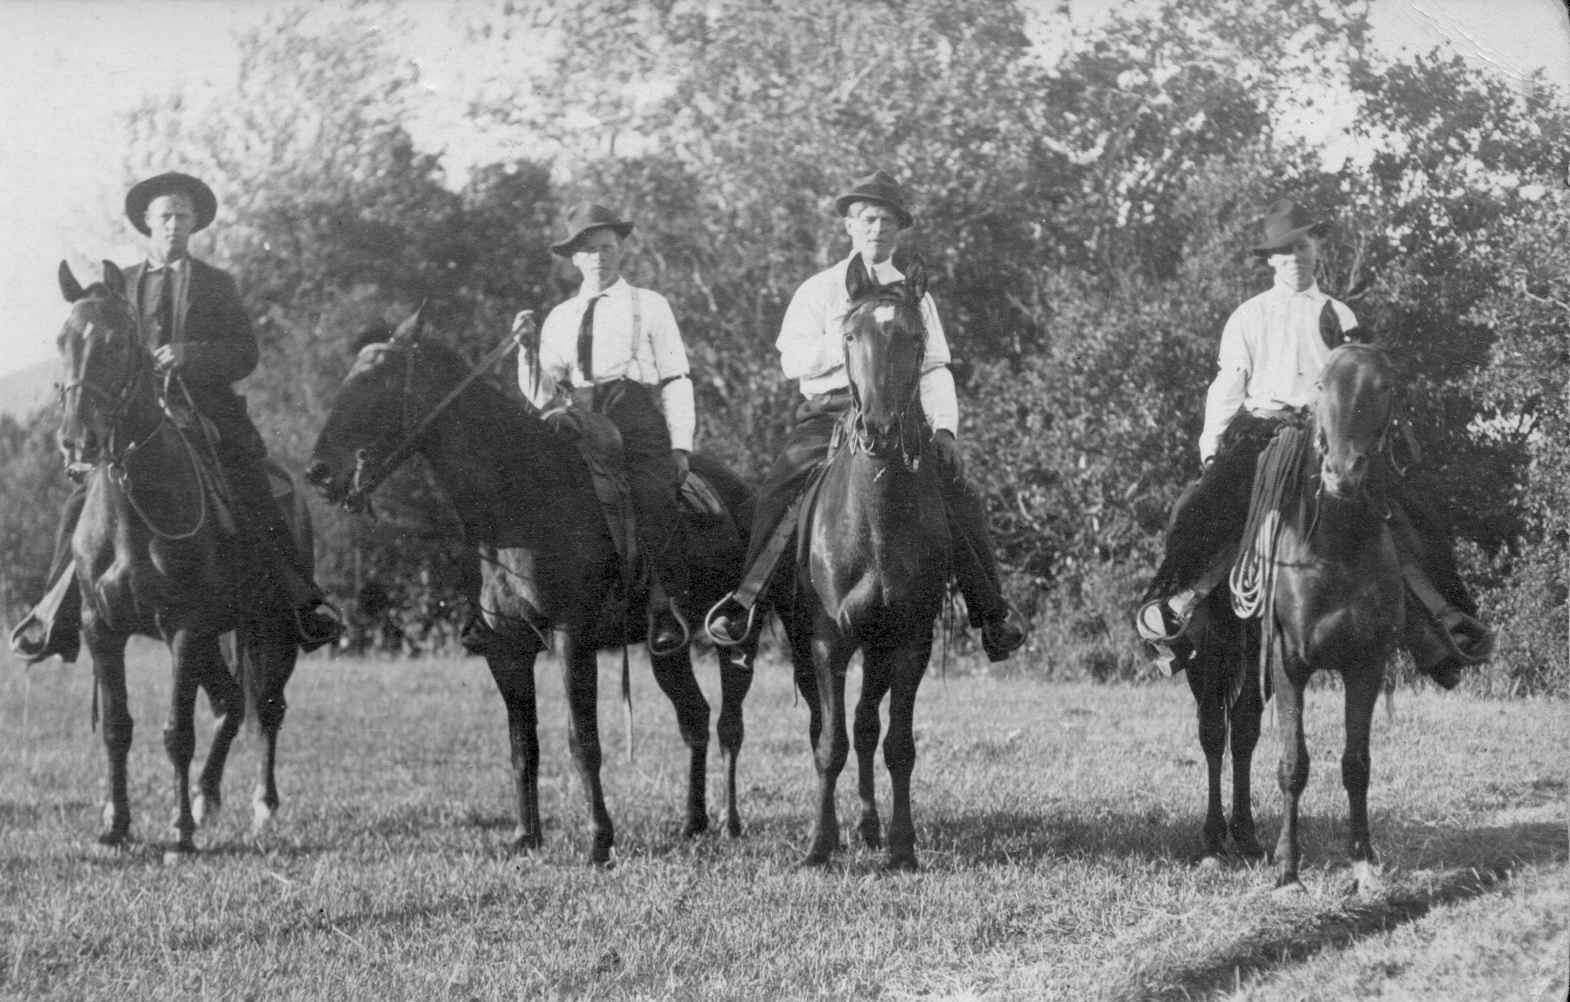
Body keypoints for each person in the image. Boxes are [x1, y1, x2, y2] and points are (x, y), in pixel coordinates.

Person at [1135, 197, 1493, 683]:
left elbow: (1361, 383)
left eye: (1302, 246)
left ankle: (1443, 629)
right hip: (1267, 432)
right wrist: (1212, 446)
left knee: (1413, 513)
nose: (1295, 257)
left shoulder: (1340, 315)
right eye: (1284, 251)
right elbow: (1229, 384)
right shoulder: (1248, 316)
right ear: (1270, 260)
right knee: (1200, 509)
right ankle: (1178, 613)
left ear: (1316, 248)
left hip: (1332, 436)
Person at [9, 171, 341, 662]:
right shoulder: (120, 287)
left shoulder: (216, 284)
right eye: (165, 215)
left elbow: (245, 353)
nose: (174, 225)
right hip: (136, 421)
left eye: (183, 216)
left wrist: (192, 355)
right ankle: (54, 613)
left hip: (207, 414)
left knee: (257, 488)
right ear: (148, 222)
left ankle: (299, 601)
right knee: (78, 505)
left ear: (194, 225)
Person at [705, 170, 1028, 661]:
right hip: (830, 412)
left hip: (901, 417)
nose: (879, 230)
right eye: (870, 219)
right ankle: (746, 609)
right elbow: (792, 359)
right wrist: (853, 344)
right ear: (850, 227)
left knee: (960, 496)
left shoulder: (916, 295)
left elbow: (937, 366)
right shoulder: (819, 291)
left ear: (900, 230)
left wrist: (944, 429)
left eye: (889, 222)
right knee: (777, 492)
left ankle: (992, 614)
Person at [518, 202, 694, 656]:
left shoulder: (650, 305)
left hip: (633, 412)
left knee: (652, 494)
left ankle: (661, 606)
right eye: (589, 250)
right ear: (574, 258)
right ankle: (526, 601)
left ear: (621, 251)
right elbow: (542, 392)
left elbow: (676, 377)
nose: (599, 257)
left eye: (607, 247)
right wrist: (525, 351)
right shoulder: (559, 317)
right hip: (576, 415)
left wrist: (681, 445)